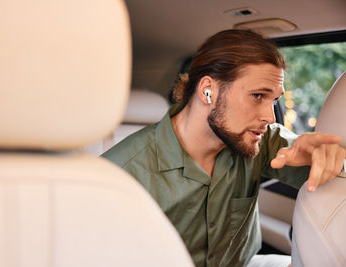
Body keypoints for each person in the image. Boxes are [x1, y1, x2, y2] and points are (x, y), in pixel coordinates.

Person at [102, 29, 345, 267]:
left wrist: (330, 159)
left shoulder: (260, 139)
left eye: (275, 100)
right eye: (258, 96)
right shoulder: (120, 176)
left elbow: (322, 172)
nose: (270, 117)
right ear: (208, 91)